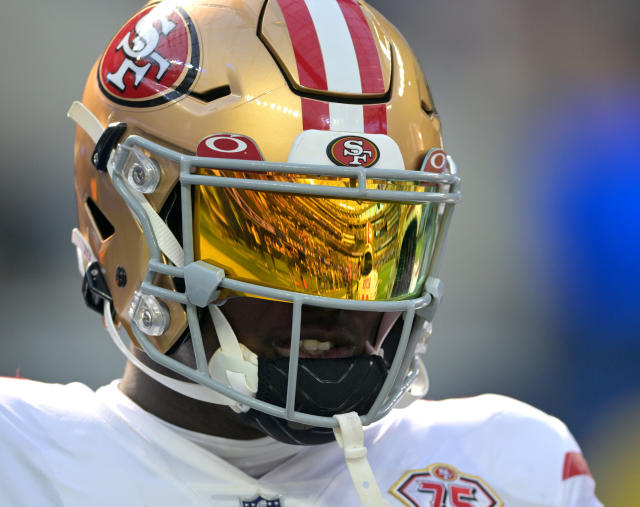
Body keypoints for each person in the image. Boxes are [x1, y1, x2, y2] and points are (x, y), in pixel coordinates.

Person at [0, 1, 602, 505]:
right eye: (275, 240)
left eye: (373, 244)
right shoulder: (21, 457)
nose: (331, 300)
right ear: (127, 220)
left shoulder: (508, 468)